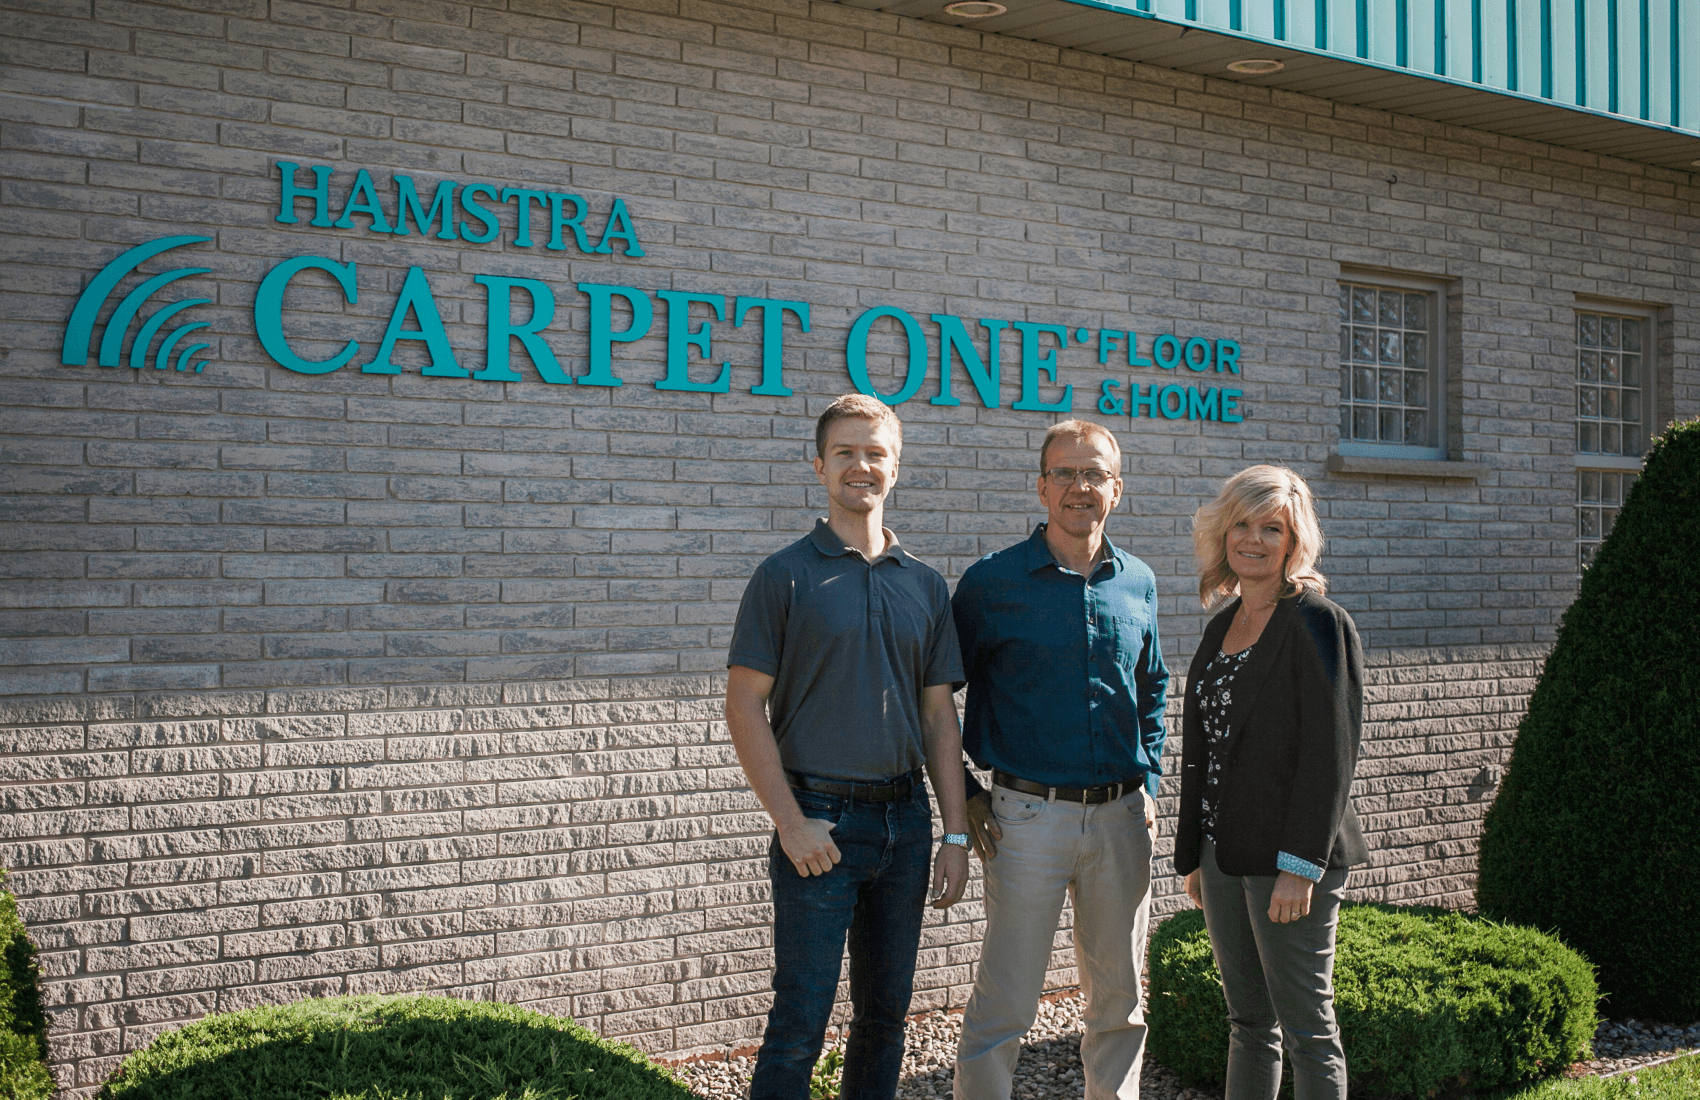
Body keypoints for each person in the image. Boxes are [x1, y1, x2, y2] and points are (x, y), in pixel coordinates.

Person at [726, 394, 971, 1100]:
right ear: (819, 465)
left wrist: (954, 832)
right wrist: (790, 822)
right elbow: (744, 706)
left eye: (876, 453)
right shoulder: (786, 575)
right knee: (800, 1020)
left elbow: (938, 719)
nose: (861, 465)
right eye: (846, 453)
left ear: (895, 468)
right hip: (820, 821)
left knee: (886, 1018)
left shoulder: (924, 585)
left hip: (905, 822)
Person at [951, 419, 1170, 1100]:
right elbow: (931, 700)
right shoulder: (991, 584)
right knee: (1006, 1006)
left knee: (1120, 1004)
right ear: (1042, 487)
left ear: (1117, 489)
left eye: (1095, 474)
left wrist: (1152, 782)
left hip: (1123, 821)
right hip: (1024, 819)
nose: (1081, 486)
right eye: (1066, 473)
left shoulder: (1138, 581)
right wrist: (963, 791)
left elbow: (1154, 685)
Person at [1172, 464, 1368, 1100]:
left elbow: (1330, 753)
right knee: (1249, 1022)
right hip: (1223, 853)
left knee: (1309, 1029)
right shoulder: (1221, 625)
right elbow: (1207, 749)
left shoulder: (1318, 622)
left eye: (1271, 528)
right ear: (1223, 534)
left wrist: (1300, 864)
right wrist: (1197, 857)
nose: (1252, 540)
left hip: (1288, 858)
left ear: (1294, 541)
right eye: (1242, 526)